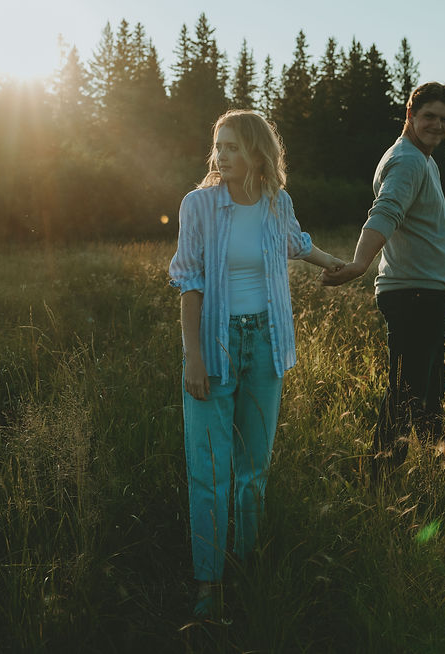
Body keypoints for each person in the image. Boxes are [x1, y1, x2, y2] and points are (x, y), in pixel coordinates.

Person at [169, 109, 343, 619]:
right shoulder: (199, 205)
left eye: (233, 147)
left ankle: (245, 564)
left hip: (266, 345)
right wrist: (194, 359)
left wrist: (342, 265)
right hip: (215, 346)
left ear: (258, 153)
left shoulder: (276, 203)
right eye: (218, 146)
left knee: (253, 471)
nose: (222, 155)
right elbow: (189, 282)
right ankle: (208, 582)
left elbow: (299, 244)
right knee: (209, 468)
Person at [321, 82, 445, 478]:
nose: (438, 125)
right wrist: (359, 263)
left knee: (429, 389)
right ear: (410, 115)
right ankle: (378, 479)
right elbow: (385, 212)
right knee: (407, 391)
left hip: (424, 292)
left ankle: (444, 464)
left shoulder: (420, 159)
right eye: (430, 116)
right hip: (413, 293)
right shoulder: (409, 161)